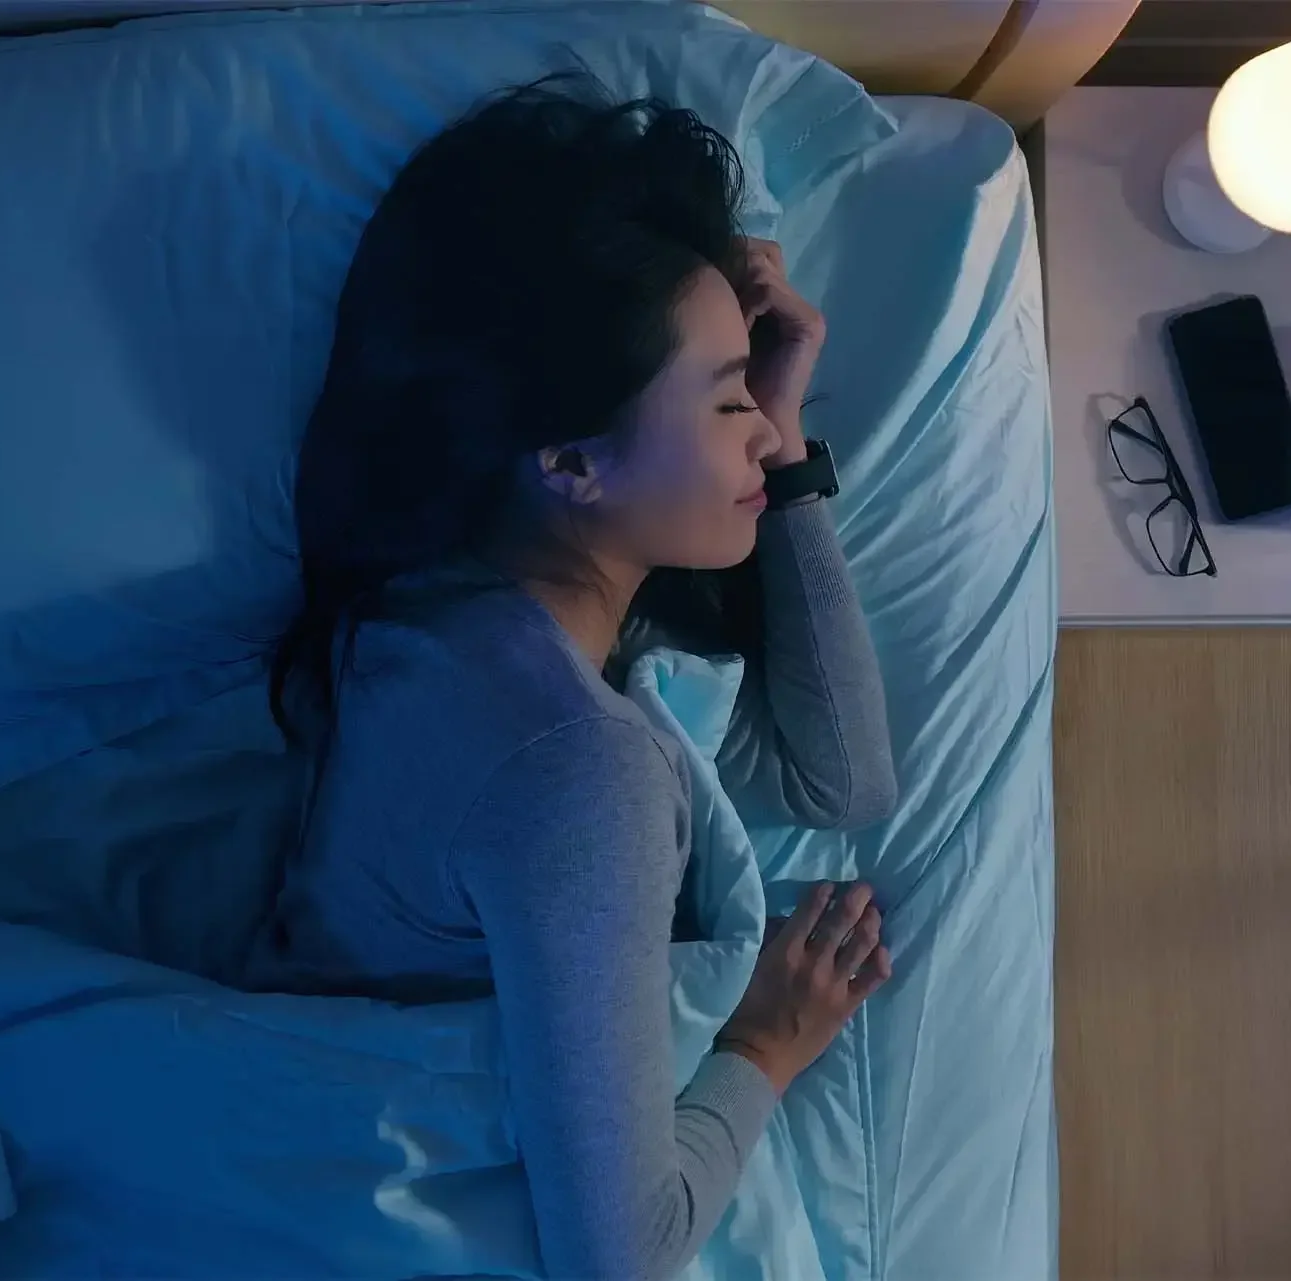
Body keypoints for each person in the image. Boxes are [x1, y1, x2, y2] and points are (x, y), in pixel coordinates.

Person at [266, 79, 897, 1281]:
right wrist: (766, 1045)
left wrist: (781, 443)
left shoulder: (442, 591)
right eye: (730, 399)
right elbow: (619, 1257)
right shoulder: (577, 769)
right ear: (568, 461)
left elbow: (838, 780)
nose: (768, 436)